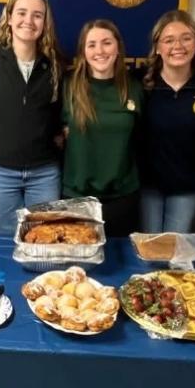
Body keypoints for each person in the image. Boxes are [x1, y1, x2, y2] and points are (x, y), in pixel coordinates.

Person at [0, 0, 64, 236]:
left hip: (44, 173)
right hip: (2, 172)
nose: (28, 20)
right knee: (2, 242)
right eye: (21, 13)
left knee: (45, 240)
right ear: (9, 17)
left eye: (37, 15)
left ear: (45, 23)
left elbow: (58, 112)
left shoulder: (54, 62)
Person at [62, 19, 143, 236]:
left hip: (123, 197)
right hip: (77, 198)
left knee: (121, 257)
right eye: (92, 45)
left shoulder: (135, 87)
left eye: (107, 43)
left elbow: (144, 137)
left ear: (118, 47)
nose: (100, 51)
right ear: (83, 51)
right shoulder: (68, 86)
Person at [137, 10, 195, 234]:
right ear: (157, 48)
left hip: (189, 187)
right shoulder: (141, 82)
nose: (178, 46)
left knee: (175, 249)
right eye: (169, 40)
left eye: (186, 38)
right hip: (147, 186)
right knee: (149, 247)